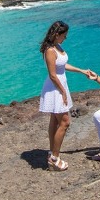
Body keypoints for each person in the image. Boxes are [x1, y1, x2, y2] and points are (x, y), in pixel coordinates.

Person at [38, 21, 89, 171]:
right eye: (64, 36)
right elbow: (53, 75)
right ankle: (54, 158)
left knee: (55, 120)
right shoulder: (49, 50)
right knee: (65, 122)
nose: (65, 38)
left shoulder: (57, 47)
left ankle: (52, 152)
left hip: (59, 86)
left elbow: (63, 66)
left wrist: (81, 70)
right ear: (56, 35)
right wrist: (63, 92)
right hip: (55, 88)